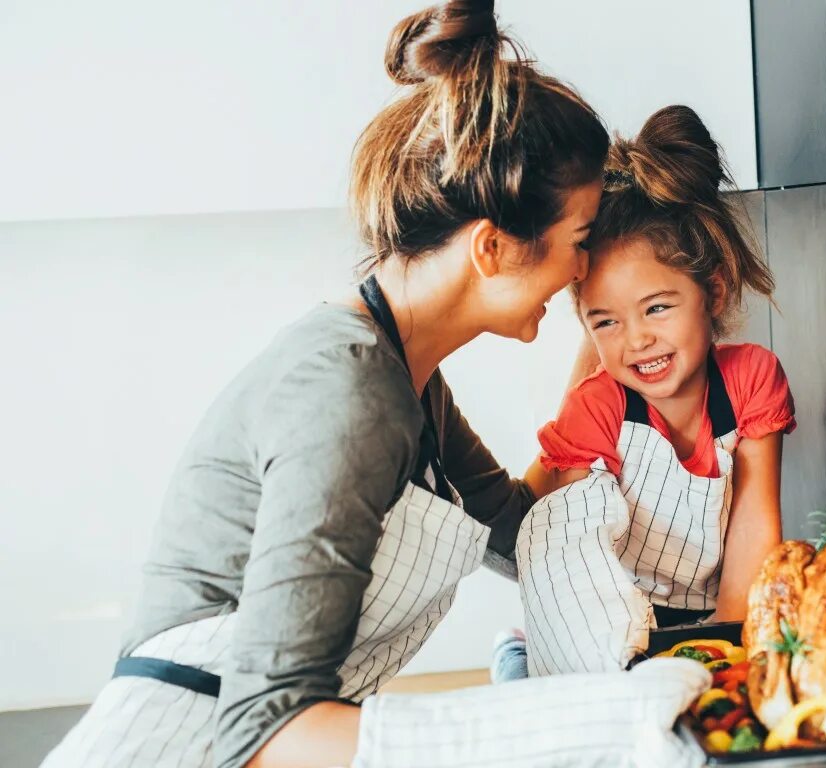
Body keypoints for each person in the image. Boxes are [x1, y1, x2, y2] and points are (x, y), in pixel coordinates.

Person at [42, 4, 708, 767]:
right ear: (493, 247)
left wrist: (624, 399)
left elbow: (526, 531)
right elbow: (266, 729)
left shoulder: (406, 376)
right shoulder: (348, 391)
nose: (581, 275)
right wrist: (593, 722)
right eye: (579, 243)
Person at [513, 105, 795, 676]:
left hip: (703, 617)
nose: (637, 340)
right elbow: (570, 559)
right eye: (606, 321)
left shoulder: (751, 380)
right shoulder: (598, 407)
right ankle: (514, 654)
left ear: (712, 294)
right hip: (608, 624)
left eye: (658, 308)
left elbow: (754, 525)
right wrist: (628, 667)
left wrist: (727, 648)